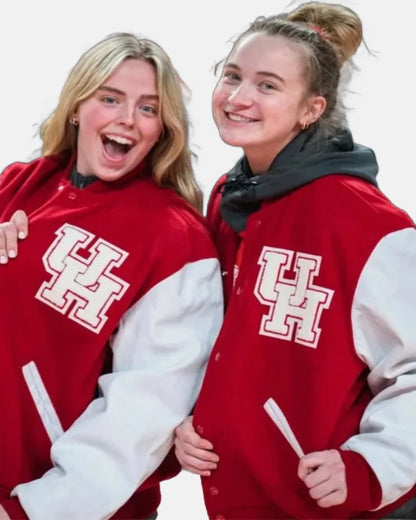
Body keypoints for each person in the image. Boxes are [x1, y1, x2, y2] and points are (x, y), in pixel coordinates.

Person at [174, 2, 416, 519]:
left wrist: (371, 465)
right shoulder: (227, 196)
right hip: (243, 497)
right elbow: (214, 336)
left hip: (346, 507)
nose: (238, 98)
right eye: (232, 76)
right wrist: (191, 413)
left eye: (267, 85)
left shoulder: (368, 224)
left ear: (312, 108)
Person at [0, 32, 223, 519]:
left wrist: (36, 511)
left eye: (147, 108)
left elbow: (143, 413)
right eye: (110, 98)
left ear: (162, 128)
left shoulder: (176, 240)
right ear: (77, 107)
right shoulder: (18, 186)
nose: (127, 118)